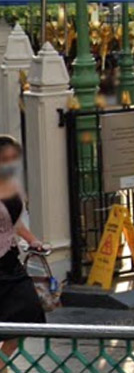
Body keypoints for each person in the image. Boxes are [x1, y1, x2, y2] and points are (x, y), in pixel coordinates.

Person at [0, 136, 48, 363]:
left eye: (12, 158)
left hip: (10, 261)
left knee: (29, 311)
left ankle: (0, 362)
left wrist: (32, 239)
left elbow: (16, 222)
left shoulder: (12, 186)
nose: (9, 163)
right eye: (4, 158)